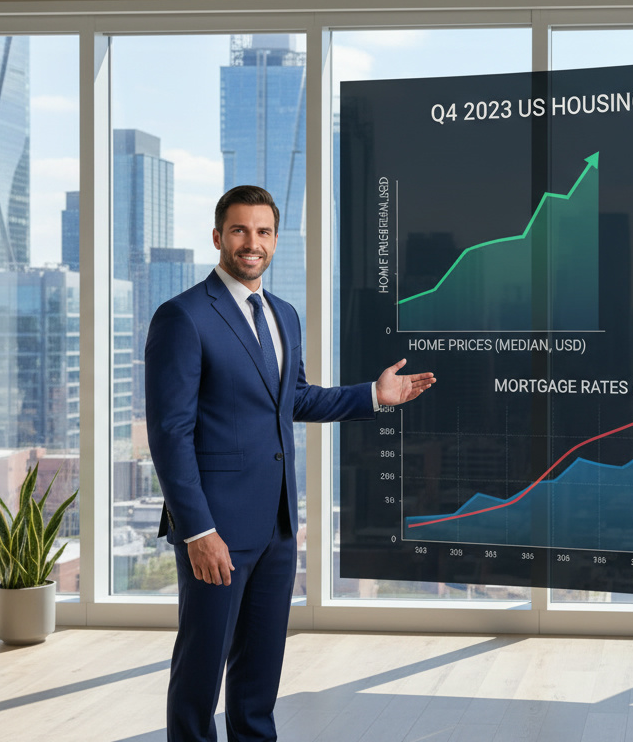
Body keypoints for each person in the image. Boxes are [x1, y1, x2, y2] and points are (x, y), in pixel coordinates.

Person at [145, 185, 434, 742]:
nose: (251, 243)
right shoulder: (182, 317)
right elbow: (169, 433)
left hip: (277, 525)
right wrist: (197, 529)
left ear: (275, 240)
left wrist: (373, 396)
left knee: (259, 679)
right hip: (216, 528)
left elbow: (293, 398)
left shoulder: (283, 315)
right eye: (239, 231)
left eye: (263, 232)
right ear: (217, 238)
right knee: (200, 674)